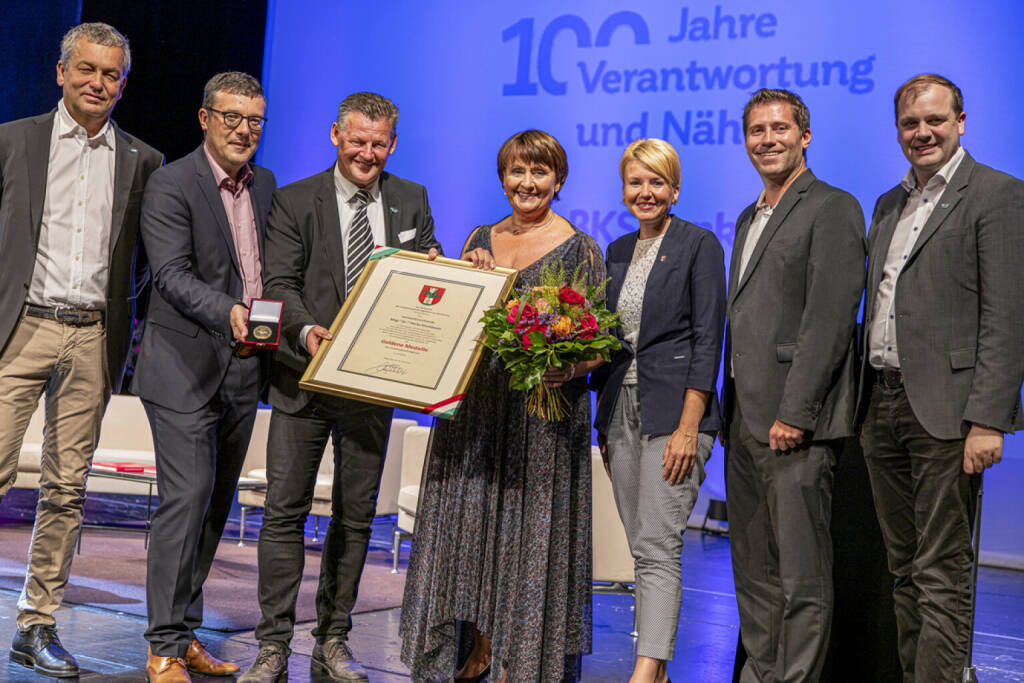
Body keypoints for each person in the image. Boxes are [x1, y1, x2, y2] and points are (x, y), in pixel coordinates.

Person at [239, 92, 441, 683]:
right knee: (284, 515)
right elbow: (279, 283)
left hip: (371, 391)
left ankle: (334, 640)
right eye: (357, 140)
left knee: (354, 522)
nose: (367, 153)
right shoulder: (295, 199)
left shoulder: (412, 199)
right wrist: (304, 333)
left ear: (393, 144)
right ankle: (272, 646)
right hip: (302, 381)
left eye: (379, 143)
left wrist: (435, 270)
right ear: (335, 135)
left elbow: (424, 283)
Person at [399, 129, 604, 683]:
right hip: (478, 412)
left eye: (540, 172)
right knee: (473, 532)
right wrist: (462, 276)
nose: (527, 183)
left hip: (540, 418)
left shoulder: (580, 248)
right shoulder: (479, 238)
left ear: (559, 181)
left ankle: (517, 657)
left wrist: (571, 366)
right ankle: (477, 649)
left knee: (525, 538)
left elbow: (596, 343)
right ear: (503, 177)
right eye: (517, 171)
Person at [0, 22, 162, 678]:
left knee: (66, 489)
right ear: (61, 72)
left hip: (94, 336)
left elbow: (151, 262)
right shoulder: (14, 141)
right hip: (20, 328)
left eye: (111, 74)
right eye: (87, 69)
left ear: (123, 84)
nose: (98, 83)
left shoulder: (142, 161)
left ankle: (36, 624)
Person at [859, 74, 1024, 682]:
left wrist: (989, 418)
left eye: (935, 120)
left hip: (950, 413)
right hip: (881, 406)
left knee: (942, 570)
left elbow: (1007, 318)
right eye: (910, 123)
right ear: (898, 130)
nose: (922, 133)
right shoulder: (887, 203)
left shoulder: (998, 195)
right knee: (902, 568)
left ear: (961, 121)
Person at [131, 71, 275, 683]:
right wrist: (231, 312)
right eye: (232, 117)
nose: (244, 130)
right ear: (204, 118)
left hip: (245, 371)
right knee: (184, 501)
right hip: (183, 370)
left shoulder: (266, 185)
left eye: (255, 121)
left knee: (215, 506)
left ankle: (185, 632)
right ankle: (162, 645)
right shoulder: (170, 182)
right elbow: (170, 274)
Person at [723, 89, 865, 682]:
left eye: (780, 128)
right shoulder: (747, 217)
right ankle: (761, 673)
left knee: (801, 577)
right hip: (743, 422)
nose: (768, 140)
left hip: (793, 425)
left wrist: (797, 411)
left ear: (804, 136)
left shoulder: (832, 206)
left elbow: (830, 321)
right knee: (754, 574)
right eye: (757, 130)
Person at [592, 138, 725, 683]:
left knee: (657, 542)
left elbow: (707, 339)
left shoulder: (699, 244)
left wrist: (689, 428)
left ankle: (647, 669)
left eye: (656, 182)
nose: (645, 192)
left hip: (676, 413)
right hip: (619, 409)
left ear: (675, 188)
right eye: (635, 182)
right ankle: (657, 666)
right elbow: (606, 341)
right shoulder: (618, 250)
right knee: (640, 542)